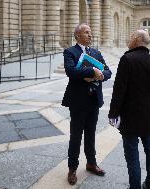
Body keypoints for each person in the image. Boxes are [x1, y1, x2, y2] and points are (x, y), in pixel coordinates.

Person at [108, 29, 150, 189]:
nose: (129, 39)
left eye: (131, 36)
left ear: (137, 40)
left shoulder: (127, 59)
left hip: (130, 117)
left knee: (132, 155)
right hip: (149, 116)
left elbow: (119, 90)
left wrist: (113, 113)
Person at [62, 23, 112, 185]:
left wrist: (100, 75)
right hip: (78, 101)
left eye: (90, 32)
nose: (90, 35)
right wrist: (91, 72)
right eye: (86, 32)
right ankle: (72, 168)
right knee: (76, 136)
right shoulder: (70, 52)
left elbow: (108, 71)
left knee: (90, 135)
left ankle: (91, 163)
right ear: (77, 35)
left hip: (93, 101)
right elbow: (71, 71)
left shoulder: (96, 52)